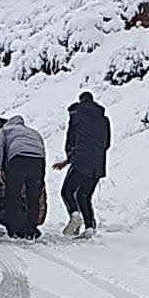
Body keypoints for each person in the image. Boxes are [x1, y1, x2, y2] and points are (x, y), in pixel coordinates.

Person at [53, 92, 111, 238]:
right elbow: (106, 143)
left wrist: (69, 157)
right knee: (84, 196)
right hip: (97, 165)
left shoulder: (76, 114)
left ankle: (75, 216)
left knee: (66, 192)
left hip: (80, 160)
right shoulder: (104, 119)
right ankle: (90, 227)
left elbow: (71, 139)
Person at [0, 116, 46, 240]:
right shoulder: (33, 132)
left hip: (18, 159)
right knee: (33, 198)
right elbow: (42, 150)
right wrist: (41, 176)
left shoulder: (6, 129)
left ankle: (15, 230)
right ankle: (30, 230)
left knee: (13, 195)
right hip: (37, 160)